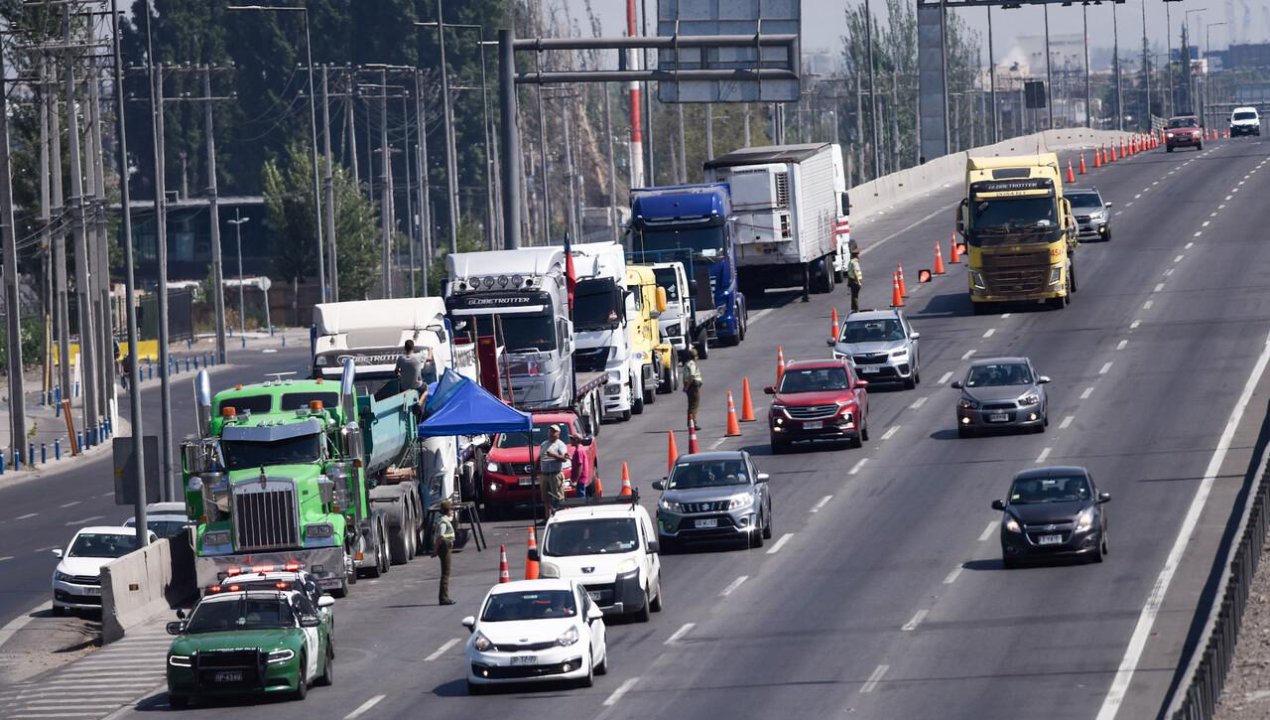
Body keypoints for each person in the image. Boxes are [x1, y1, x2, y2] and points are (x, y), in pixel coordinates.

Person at [538, 424, 569, 519]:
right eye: (550, 431)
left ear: (558, 434)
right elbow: (540, 457)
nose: (551, 433)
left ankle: (561, 516)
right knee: (546, 498)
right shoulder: (544, 444)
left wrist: (553, 455)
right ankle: (547, 517)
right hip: (544, 474)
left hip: (555, 474)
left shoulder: (560, 445)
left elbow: (565, 459)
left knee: (558, 497)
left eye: (554, 432)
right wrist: (536, 469)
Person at [433, 500, 456, 605]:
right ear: (448, 510)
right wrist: (435, 550)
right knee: (446, 573)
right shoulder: (443, 523)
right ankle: (443, 598)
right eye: (451, 509)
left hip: (446, 548)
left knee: (446, 573)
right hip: (445, 548)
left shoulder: (444, 520)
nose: (452, 511)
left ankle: (444, 597)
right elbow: (440, 537)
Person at [682, 348, 703, 431]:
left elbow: (685, 377)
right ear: (694, 357)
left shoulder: (686, 364)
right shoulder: (692, 364)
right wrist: (687, 387)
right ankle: (693, 423)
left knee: (691, 405)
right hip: (693, 385)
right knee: (694, 405)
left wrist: (685, 386)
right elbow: (692, 376)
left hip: (690, 385)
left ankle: (690, 422)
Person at [569, 435, 593, 499]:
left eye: (572, 439)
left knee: (580, 497)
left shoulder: (579, 451)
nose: (570, 440)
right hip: (580, 478)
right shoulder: (580, 449)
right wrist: (570, 458)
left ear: (576, 440)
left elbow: (580, 466)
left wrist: (576, 481)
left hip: (580, 479)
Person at [846, 247, 863, 313]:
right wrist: (859, 282)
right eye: (858, 255)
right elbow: (855, 272)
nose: (859, 256)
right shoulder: (855, 262)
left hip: (851, 280)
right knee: (855, 296)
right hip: (855, 281)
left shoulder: (850, 262)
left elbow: (849, 272)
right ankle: (856, 309)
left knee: (853, 295)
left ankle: (853, 309)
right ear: (856, 255)